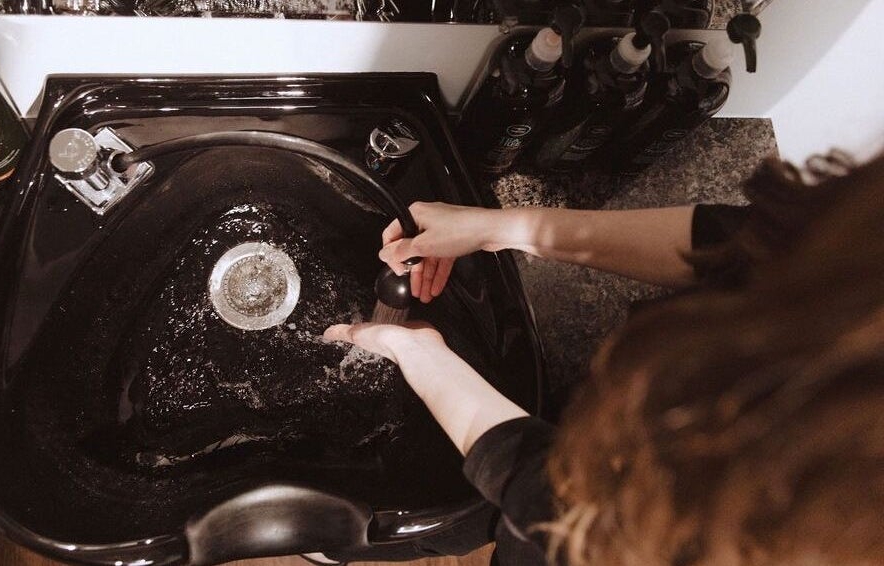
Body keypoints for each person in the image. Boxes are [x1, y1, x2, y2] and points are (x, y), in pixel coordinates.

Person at [323, 151, 884, 566]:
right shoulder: (855, 255)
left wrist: (414, 349)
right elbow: (735, 242)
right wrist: (499, 229)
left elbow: (546, 497)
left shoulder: (751, 532)